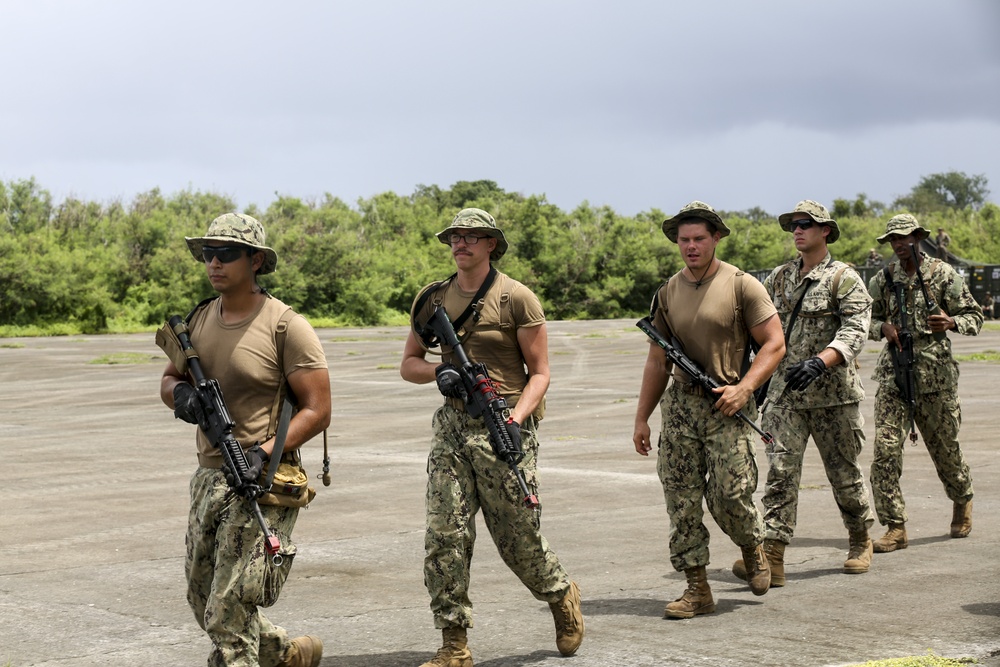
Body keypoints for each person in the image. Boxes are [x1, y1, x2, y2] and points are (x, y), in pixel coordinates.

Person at [400, 208, 584, 667]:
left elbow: (540, 374)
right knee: (445, 534)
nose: (461, 244)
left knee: (517, 536)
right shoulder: (432, 299)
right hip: (453, 426)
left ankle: (560, 592)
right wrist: (440, 371)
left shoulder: (517, 298)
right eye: (455, 237)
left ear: (491, 245)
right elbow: (409, 363)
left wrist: (517, 420)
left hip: (505, 423)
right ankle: (454, 645)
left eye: (472, 237)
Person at [159, 213, 331, 667]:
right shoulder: (198, 318)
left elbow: (318, 409)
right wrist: (183, 398)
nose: (214, 263)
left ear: (255, 260)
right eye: (208, 254)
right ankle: (287, 653)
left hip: (260, 478)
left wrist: (264, 452)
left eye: (226, 254)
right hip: (209, 476)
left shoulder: (285, 326)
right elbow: (168, 380)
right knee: (202, 598)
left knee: (229, 608)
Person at [632, 201, 785, 619]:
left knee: (731, 494)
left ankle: (753, 550)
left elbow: (774, 343)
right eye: (684, 240)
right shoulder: (667, 292)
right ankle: (696, 588)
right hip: (681, 407)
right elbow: (656, 360)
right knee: (680, 498)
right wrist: (642, 417)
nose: (692, 247)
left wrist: (745, 387)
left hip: (727, 404)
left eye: (700, 238)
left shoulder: (742, 285)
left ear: (716, 237)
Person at [731, 201, 875, 588]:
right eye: (793, 225)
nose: (797, 230)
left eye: (805, 224)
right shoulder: (778, 279)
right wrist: (754, 379)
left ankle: (860, 539)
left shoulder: (843, 278)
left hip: (833, 396)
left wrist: (822, 361)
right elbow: (758, 331)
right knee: (780, 474)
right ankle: (773, 556)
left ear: (825, 230)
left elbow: (856, 328)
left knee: (844, 474)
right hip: (785, 396)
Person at [866, 213, 983, 553]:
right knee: (885, 452)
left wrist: (950, 322)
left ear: (918, 237)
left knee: (946, 450)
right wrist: (882, 329)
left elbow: (974, 316)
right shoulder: (885, 279)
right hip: (894, 377)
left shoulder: (943, 275)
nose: (899, 244)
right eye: (893, 240)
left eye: (904, 237)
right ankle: (895, 526)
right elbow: (861, 318)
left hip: (936, 379)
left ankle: (962, 499)